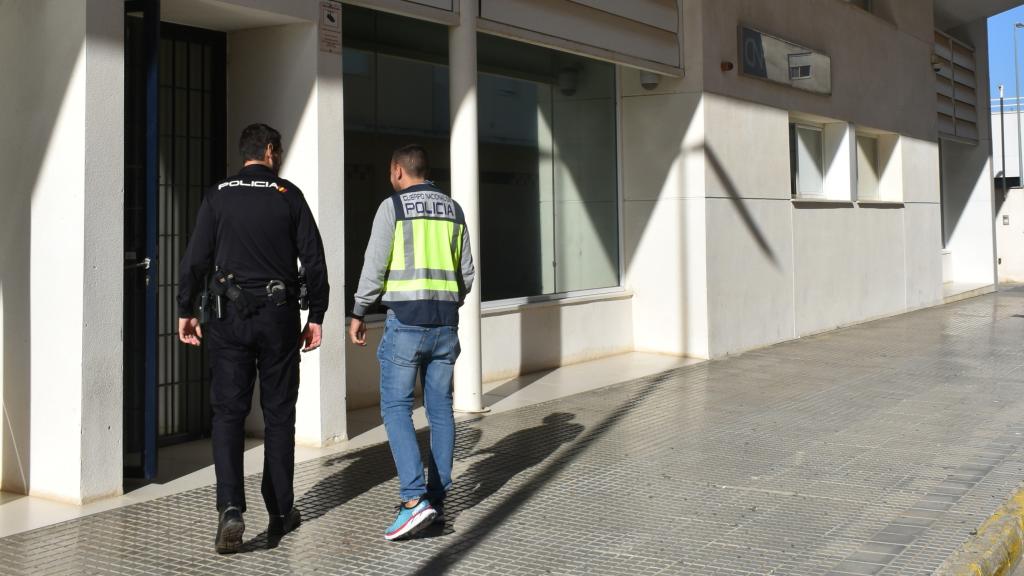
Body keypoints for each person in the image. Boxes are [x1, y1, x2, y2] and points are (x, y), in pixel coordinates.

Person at [177, 123, 329, 554]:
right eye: (277, 152)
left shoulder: (218, 195)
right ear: (268, 150)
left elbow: (194, 259)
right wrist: (315, 313)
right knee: (279, 414)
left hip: (227, 319)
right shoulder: (288, 196)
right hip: (279, 318)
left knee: (227, 414)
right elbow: (314, 262)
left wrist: (185, 309)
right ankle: (280, 510)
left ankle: (230, 508)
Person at [349, 144, 475, 541]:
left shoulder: (394, 207)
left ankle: (412, 500)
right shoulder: (454, 210)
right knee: (440, 410)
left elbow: (375, 264)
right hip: (445, 325)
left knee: (396, 407)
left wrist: (358, 310)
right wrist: (447, 302)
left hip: (405, 323)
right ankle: (435, 500)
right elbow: (467, 275)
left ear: (397, 171)